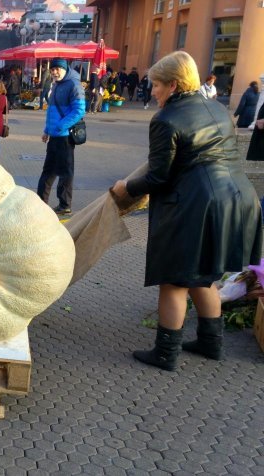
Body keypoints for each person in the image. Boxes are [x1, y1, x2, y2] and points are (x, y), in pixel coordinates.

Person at [110, 51, 262, 371]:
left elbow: (159, 177)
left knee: (174, 280)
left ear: (174, 85)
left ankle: (166, 353)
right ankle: (211, 343)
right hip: (237, 199)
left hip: (197, 205)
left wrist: (127, 188)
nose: (152, 91)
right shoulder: (218, 109)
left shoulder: (166, 119)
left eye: (156, 85)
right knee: (204, 275)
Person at [36, 58, 86, 215]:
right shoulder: (56, 85)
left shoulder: (74, 85)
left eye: (58, 69)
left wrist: (60, 126)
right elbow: (51, 111)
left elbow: (79, 110)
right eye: (52, 69)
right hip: (54, 136)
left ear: (65, 69)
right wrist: (46, 130)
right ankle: (40, 202)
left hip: (64, 137)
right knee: (48, 170)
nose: (54, 72)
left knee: (65, 172)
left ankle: (65, 205)